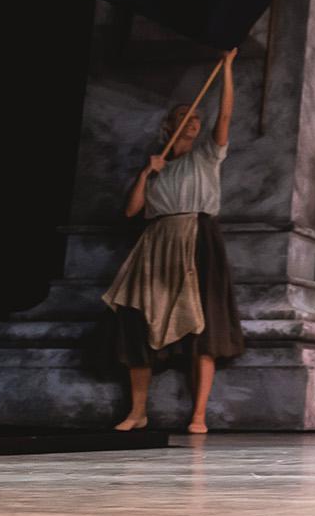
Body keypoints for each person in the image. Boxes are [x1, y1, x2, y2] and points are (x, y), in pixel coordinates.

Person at [102, 50, 246, 435]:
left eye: (196, 116)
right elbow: (133, 212)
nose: (194, 120)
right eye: (185, 115)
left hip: (195, 238)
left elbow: (226, 117)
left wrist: (227, 68)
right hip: (157, 242)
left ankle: (198, 416)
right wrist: (147, 174)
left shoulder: (206, 157)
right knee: (137, 318)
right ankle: (137, 411)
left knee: (202, 325)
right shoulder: (157, 167)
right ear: (169, 126)